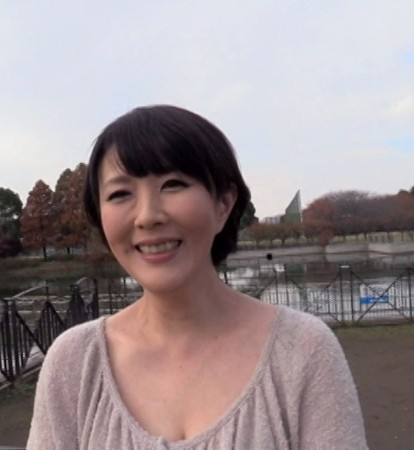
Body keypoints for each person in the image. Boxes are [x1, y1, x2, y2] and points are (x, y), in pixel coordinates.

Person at [27, 105, 367, 449]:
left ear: (223, 204)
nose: (147, 216)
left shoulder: (303, 349)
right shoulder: (74, 362)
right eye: (120, 194)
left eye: (173, 184)